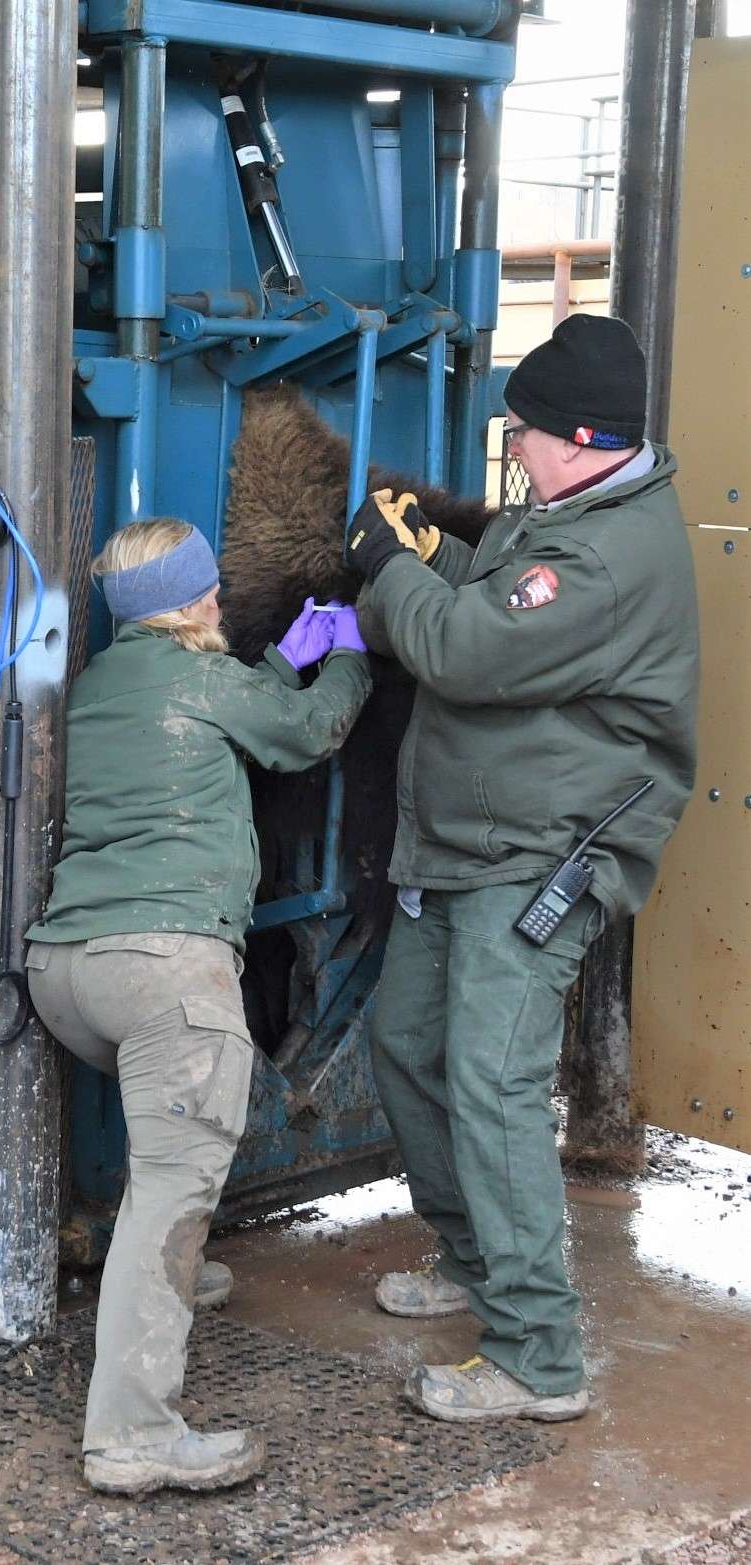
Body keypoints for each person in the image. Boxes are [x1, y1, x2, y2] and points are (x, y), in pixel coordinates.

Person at [345, 313, 698, 1423]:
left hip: (538, 856)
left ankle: (538, 1353)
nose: (512, 439)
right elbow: (495, 594)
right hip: (468, 840)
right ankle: (474, 1258)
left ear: (581, 439)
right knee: (406, 1043)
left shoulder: (602, 550)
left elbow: (470, 648)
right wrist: (433, 554)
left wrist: (380, 569)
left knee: (494, 1087)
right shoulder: (571, 506)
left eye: (525, 427)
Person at [25, 519, 372, 1498]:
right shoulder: (203, 680)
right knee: (173, 1193)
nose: (220, 602)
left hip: (66, 975)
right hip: (165, 970)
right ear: (185, 603)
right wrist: (341, 652)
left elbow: (234, 700)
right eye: (210, 592)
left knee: (160, 1169)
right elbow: (307, 731)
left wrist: (277, 658)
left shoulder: (98, 684)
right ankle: (132, 1435)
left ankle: (158, 1281)